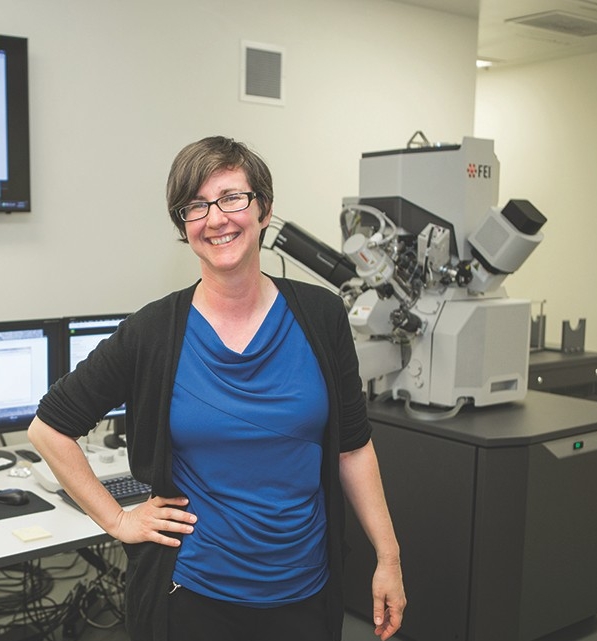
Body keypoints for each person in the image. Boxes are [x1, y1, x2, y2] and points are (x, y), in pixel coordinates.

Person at [28, 135, 406, 641]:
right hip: (194, 597)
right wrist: (118, 520)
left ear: (264, 211)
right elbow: (49, 428)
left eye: (232, 198)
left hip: (306, 592)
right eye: (196, 206)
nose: (216, 217)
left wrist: (389, 556)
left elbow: (352, 448)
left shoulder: (321, 315)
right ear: (184, 226)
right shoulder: (152, 331)